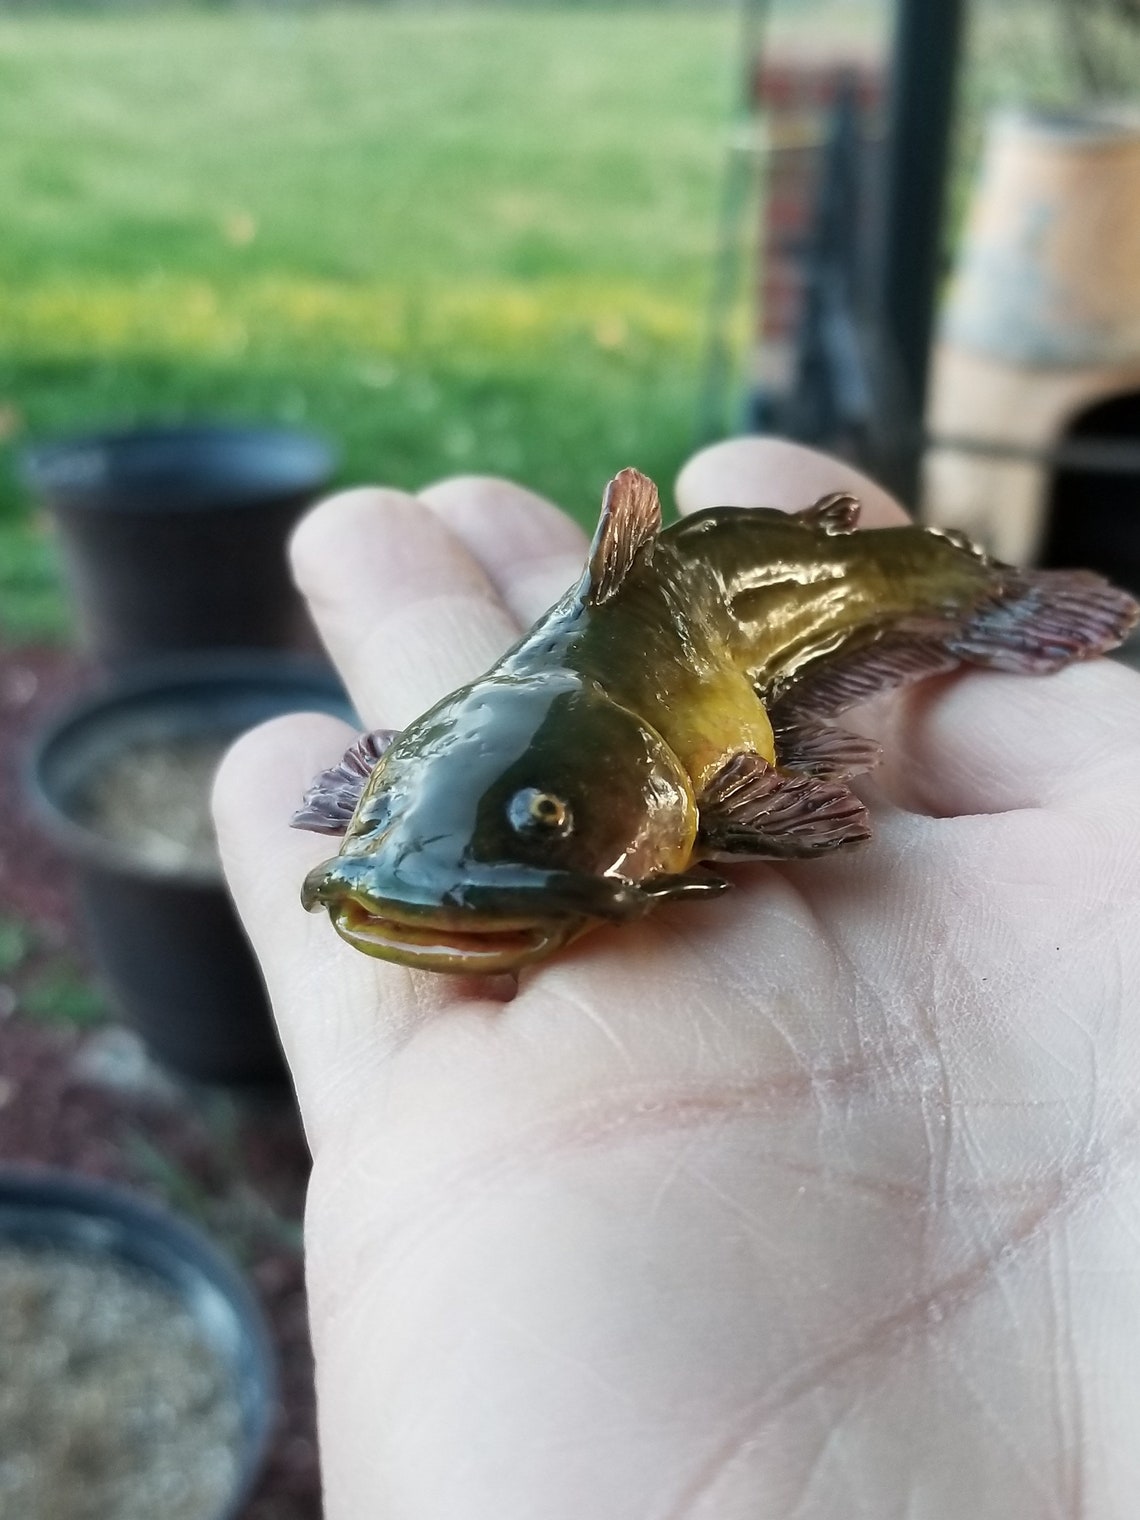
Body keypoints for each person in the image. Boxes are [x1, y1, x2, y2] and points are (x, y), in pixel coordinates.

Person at [213, 437, 1140, 1519]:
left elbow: (813, 813)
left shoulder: (672, 719)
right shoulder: (452, 755)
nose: (404, 873)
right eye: (386, 814)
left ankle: (981, 595)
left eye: (544, 822)